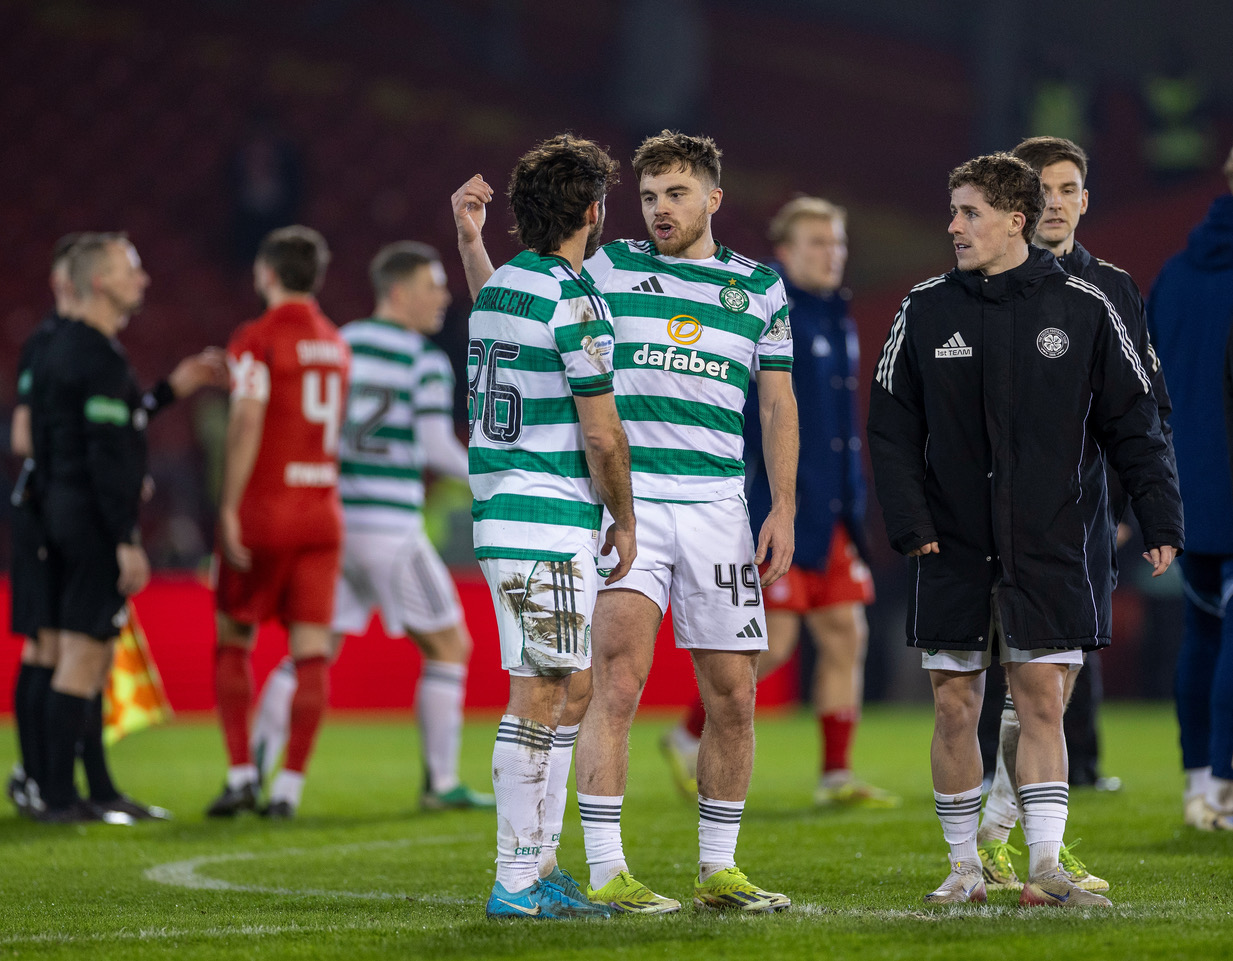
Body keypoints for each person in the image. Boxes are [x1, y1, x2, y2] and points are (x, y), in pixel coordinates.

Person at [453, 130, 798, 914]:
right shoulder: (601, 270)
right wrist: (474, 248)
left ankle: (719, 868)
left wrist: (782, 503)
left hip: (716, 506)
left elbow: (777, 402)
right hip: (622, 507)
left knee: (733, 692)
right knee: (603, 683)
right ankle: (604, 868)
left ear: (713, 197)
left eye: (676, 194)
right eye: (646, 196)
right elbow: (516, 313)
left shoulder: (760, 289)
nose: (658, 210)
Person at [867, 153, 1182, 908]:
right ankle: (963, 867)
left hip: (1049, 535)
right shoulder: (924, 306)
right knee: (954, 703)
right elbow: (889, 427)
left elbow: (1135, 421)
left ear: (1015, 218)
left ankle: (1043, 864)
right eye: (951, 211)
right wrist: (909, 522)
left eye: (968, 212)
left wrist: (1157, 513)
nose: (952, 226)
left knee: (1042, 696)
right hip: (951, 540)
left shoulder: (1082, 304)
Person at [972, 135, 1177, 892]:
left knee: (1048, 688)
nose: (1054, 202)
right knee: (1008, 685)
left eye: (1067, 189)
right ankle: (1009, 846)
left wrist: (1137, 509)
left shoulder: (1113, 289)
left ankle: (1004, 840)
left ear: (1084, 200)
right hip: (993, 519)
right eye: (1041, 190)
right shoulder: (976, 283)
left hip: (1082, 518)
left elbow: (1142, 407)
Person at [659, 197, 896, 809]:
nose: (831, 255)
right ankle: (688, 735)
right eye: (817, 243)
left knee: (846, 634)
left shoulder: (834, 317)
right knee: (776, 645)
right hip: (778, 507)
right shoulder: (765, 309)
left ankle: (835, 774)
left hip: (833, 509)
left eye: (837, 243)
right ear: (784, 253)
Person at [247, 241, 493, 810]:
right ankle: (440, 783)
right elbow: (434, 445)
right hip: (390, 525)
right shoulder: (422, 358)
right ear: (400, 291)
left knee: (312, 649)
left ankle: (252, 770)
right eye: (433, 286)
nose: (444, 297)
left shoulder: (339, 344)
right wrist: (494, 473)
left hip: (334, 522)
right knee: (450, 646)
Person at [464, 134, 632, 920]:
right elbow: (602, 432)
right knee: (537, 694)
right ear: (594, 210)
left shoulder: (500, 291)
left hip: (506, 514)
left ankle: (536, 868)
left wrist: (469, 240)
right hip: (545, 519)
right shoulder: (573, 296)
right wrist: (624, 518)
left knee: (568, 686)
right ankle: (516, 881)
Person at [31, 233, 224, 823]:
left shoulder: (62, 350)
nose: (141, 278)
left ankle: (88, 791)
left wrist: (168, 389)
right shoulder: (97, 357)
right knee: (83, 657)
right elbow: (105, 456)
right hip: (92, 522)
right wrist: (125, 538)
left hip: (60, 512)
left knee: (76, 650)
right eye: (129, 268)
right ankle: (60, 798)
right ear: (100, 283)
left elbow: (86, 438)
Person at [206, 226, 349, 820]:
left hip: (267, 510)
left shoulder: (256, 337)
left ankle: (242, 773)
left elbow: (246, 419)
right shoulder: (336, 343)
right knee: (311, 650)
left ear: (266, 272)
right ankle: (288, 788)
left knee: (233, 638)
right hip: (322, 513)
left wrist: (228, 506)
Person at [1146, 143, 1233, 832]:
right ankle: (1228, 788)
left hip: (1182, 487)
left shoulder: (1172, 275)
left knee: (1201, 633)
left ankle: (1199, 783)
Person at [8, 234, 81, 817]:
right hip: (43, 509)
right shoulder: (48, 345)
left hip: (61, 506)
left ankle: (68, 782)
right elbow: (23, 438)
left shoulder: (84, 346)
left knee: (64, 648)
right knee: (45, 646)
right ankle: (31, 777)